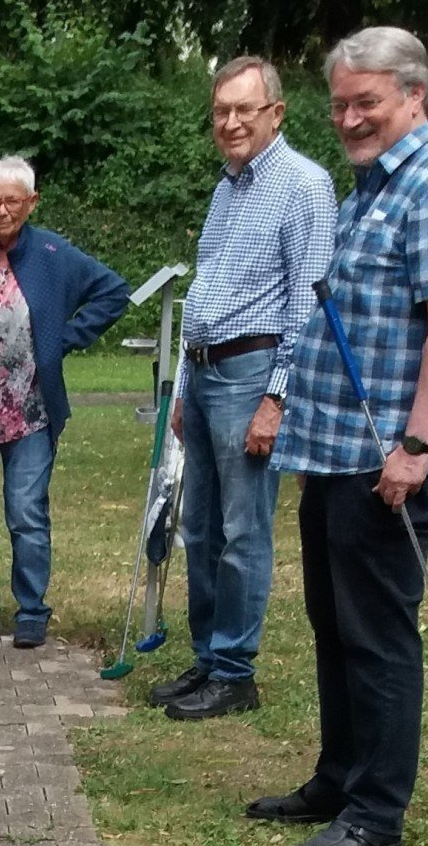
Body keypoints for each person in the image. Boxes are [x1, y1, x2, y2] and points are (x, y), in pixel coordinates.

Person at [267, 26, 428, 846]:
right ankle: (339, 778)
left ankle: (376, 812)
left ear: (415, 95)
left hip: (388, 460)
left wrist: (417, 445)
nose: (347, 119)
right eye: (338, 105)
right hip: (336, 449)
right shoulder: (372, 187)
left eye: (365, 102)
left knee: (377, 635)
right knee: (334, 624)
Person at [156, 58, 336, 722]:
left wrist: (277, 398)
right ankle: (208, 657)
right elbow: (205, 290)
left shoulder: (305, 185)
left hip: (252, 374)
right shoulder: (227, 187)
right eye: (221, 111)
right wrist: (183, 386)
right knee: (200, 527)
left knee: (242, 531)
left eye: (244, 109)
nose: (230, 122)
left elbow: (307, 305)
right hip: (205, 373)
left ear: (276, 114)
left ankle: (235, 672)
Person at [0, 157, 129, 648]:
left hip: (31, 411)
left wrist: (65, 339)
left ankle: (31, 611)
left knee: (26, 514)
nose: (3, 210)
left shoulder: (54, 253)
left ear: (32, 203)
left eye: (13, 201)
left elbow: (113, 292)